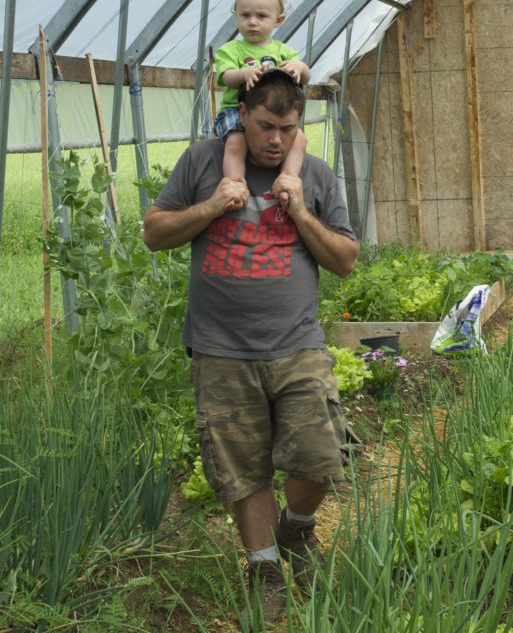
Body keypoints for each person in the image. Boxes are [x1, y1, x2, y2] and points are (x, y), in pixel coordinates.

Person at [143, 68, 358, 623]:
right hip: (221, 348)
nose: (275, 140)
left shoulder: (314, 174)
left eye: (288, 128)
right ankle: (263, 566)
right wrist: (214, 204)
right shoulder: (202, 162)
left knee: (320, 454)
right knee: (241, 466)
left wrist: (300, 210)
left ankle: (296, 528)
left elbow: (344, 261)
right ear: (243, 115)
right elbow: (155, 233)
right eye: (265, 126)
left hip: (297, 344)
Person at [215, 0, 311, 211]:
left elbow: (305, 74)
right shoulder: (231, 49)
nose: (252, 22)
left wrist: (299, 68)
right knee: (236, 140)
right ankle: (235, 184)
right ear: (236, 15)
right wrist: (243, 74)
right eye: (245, 15)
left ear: (278, 20)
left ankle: (288, 178)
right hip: (235, 111)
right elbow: (224, 76)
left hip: (275, 111)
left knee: (299, 138)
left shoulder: (283, 50)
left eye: (261, 16)